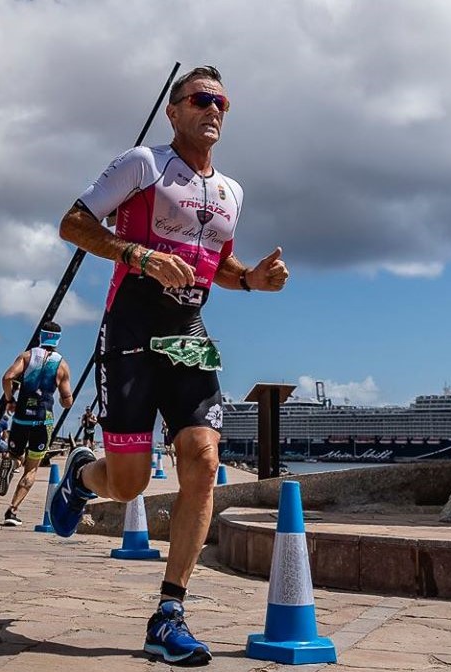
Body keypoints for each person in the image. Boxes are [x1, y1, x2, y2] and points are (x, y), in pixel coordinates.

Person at [53, 65, 288, 666]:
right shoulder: (143, 165)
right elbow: (73, 223)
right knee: (128, 482)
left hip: (187, 333)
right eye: (202, 99)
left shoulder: (232, 192)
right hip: (130, 326)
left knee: (204, 461)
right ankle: (83, 477)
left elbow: (217, 266)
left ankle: (169, 613)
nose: (214, 110)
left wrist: (253, 281)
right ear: (175, 111)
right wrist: (136, 253)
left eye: (224, 103)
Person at [0, 321, 73, 525]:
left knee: (16, 454)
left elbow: (7, 377)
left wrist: (10, 400)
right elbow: (67, 401)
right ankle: (12, 511)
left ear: (41, 336)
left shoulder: (27, 356)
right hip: (43, 420)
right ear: (57, 340)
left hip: (21, 417)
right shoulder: (62, 365)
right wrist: (64, 399)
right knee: (32, 469)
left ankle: (12, 462)